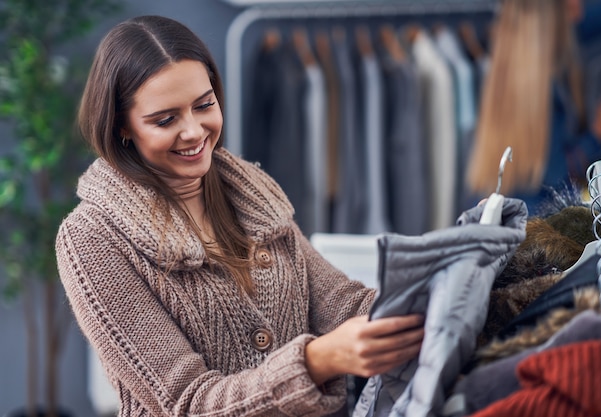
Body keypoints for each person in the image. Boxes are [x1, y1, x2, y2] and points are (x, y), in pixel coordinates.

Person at [54, 15, 425, 417]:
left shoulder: (249, 192)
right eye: (165, 119)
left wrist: (427, 303)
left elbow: (342, 303)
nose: (194, 131)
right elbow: (187, 403)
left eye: (204, 105)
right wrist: (318, 360)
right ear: (122, 126)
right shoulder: (91, 239)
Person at [465, 0, 601, 215]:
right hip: (540, 228)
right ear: (553, 12)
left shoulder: (511, 63)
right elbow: (557, 176)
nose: (580, 4)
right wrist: (598, 134)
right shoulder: (544, 94)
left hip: (508, 220)